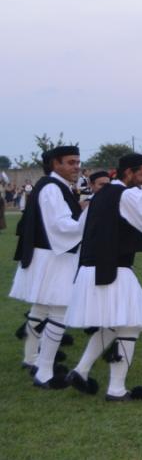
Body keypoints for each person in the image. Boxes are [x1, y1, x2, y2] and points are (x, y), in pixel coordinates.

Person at [65, 153, 142, 402]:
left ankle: (80, 371)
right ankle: (116, 389)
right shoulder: (125, 194)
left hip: (93, 267)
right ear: (128, 172)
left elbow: (135, 211)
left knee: (113, 325)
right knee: (130, 325)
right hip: (113, 268)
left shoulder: (103, 194)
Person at [9, 146, 84, 387]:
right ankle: (44, 372)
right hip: (54, 257)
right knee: (59, 311)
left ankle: (31, 358)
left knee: (41, 308)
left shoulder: (51, 185)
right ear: (55, 164)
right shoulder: (52, 188)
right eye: (71, 162)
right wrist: (89, 216)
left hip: (47, 254)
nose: (76, 167)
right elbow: (61, 226)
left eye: (77, 162)